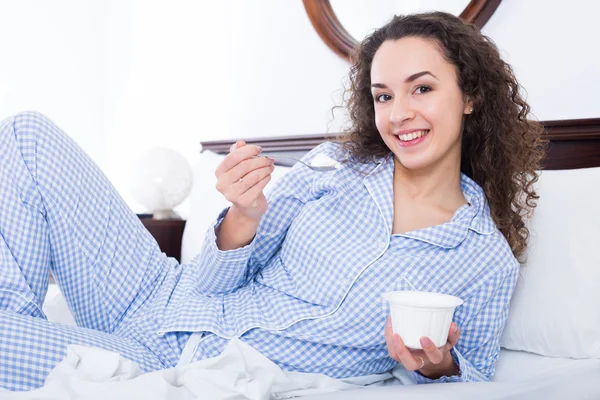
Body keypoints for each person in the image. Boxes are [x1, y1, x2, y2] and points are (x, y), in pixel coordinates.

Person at [0, 12, 544, 391]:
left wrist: (436, 364)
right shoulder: (334, 169)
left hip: (185, 367)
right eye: (383, 95)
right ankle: (21, 326)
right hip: (157, 294)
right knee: (28, 134)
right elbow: (213, 280)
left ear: (470, 95)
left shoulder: (483, 258)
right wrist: (244, 217)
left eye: (422, 88)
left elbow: (469, 374)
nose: (399, 112)